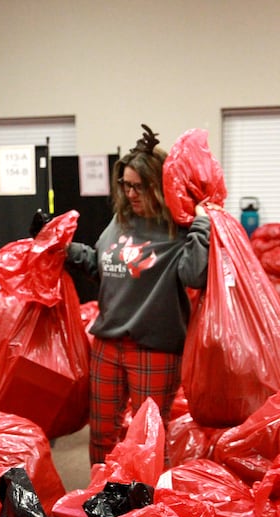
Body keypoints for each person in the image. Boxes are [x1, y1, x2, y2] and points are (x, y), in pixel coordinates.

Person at [63, 124, 213, 465]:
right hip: (107, 344)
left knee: (147, 439)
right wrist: (66, 248)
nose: (130, 194)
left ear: (160, 187)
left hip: (154, 349)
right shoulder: (121, 221)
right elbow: (102, 267)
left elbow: (194, 274)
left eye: (139, 187)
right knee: (102, 435)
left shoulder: (178, 226)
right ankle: (101, 502)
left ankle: (145, 511)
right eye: (126, 186)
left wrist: (202, 225)